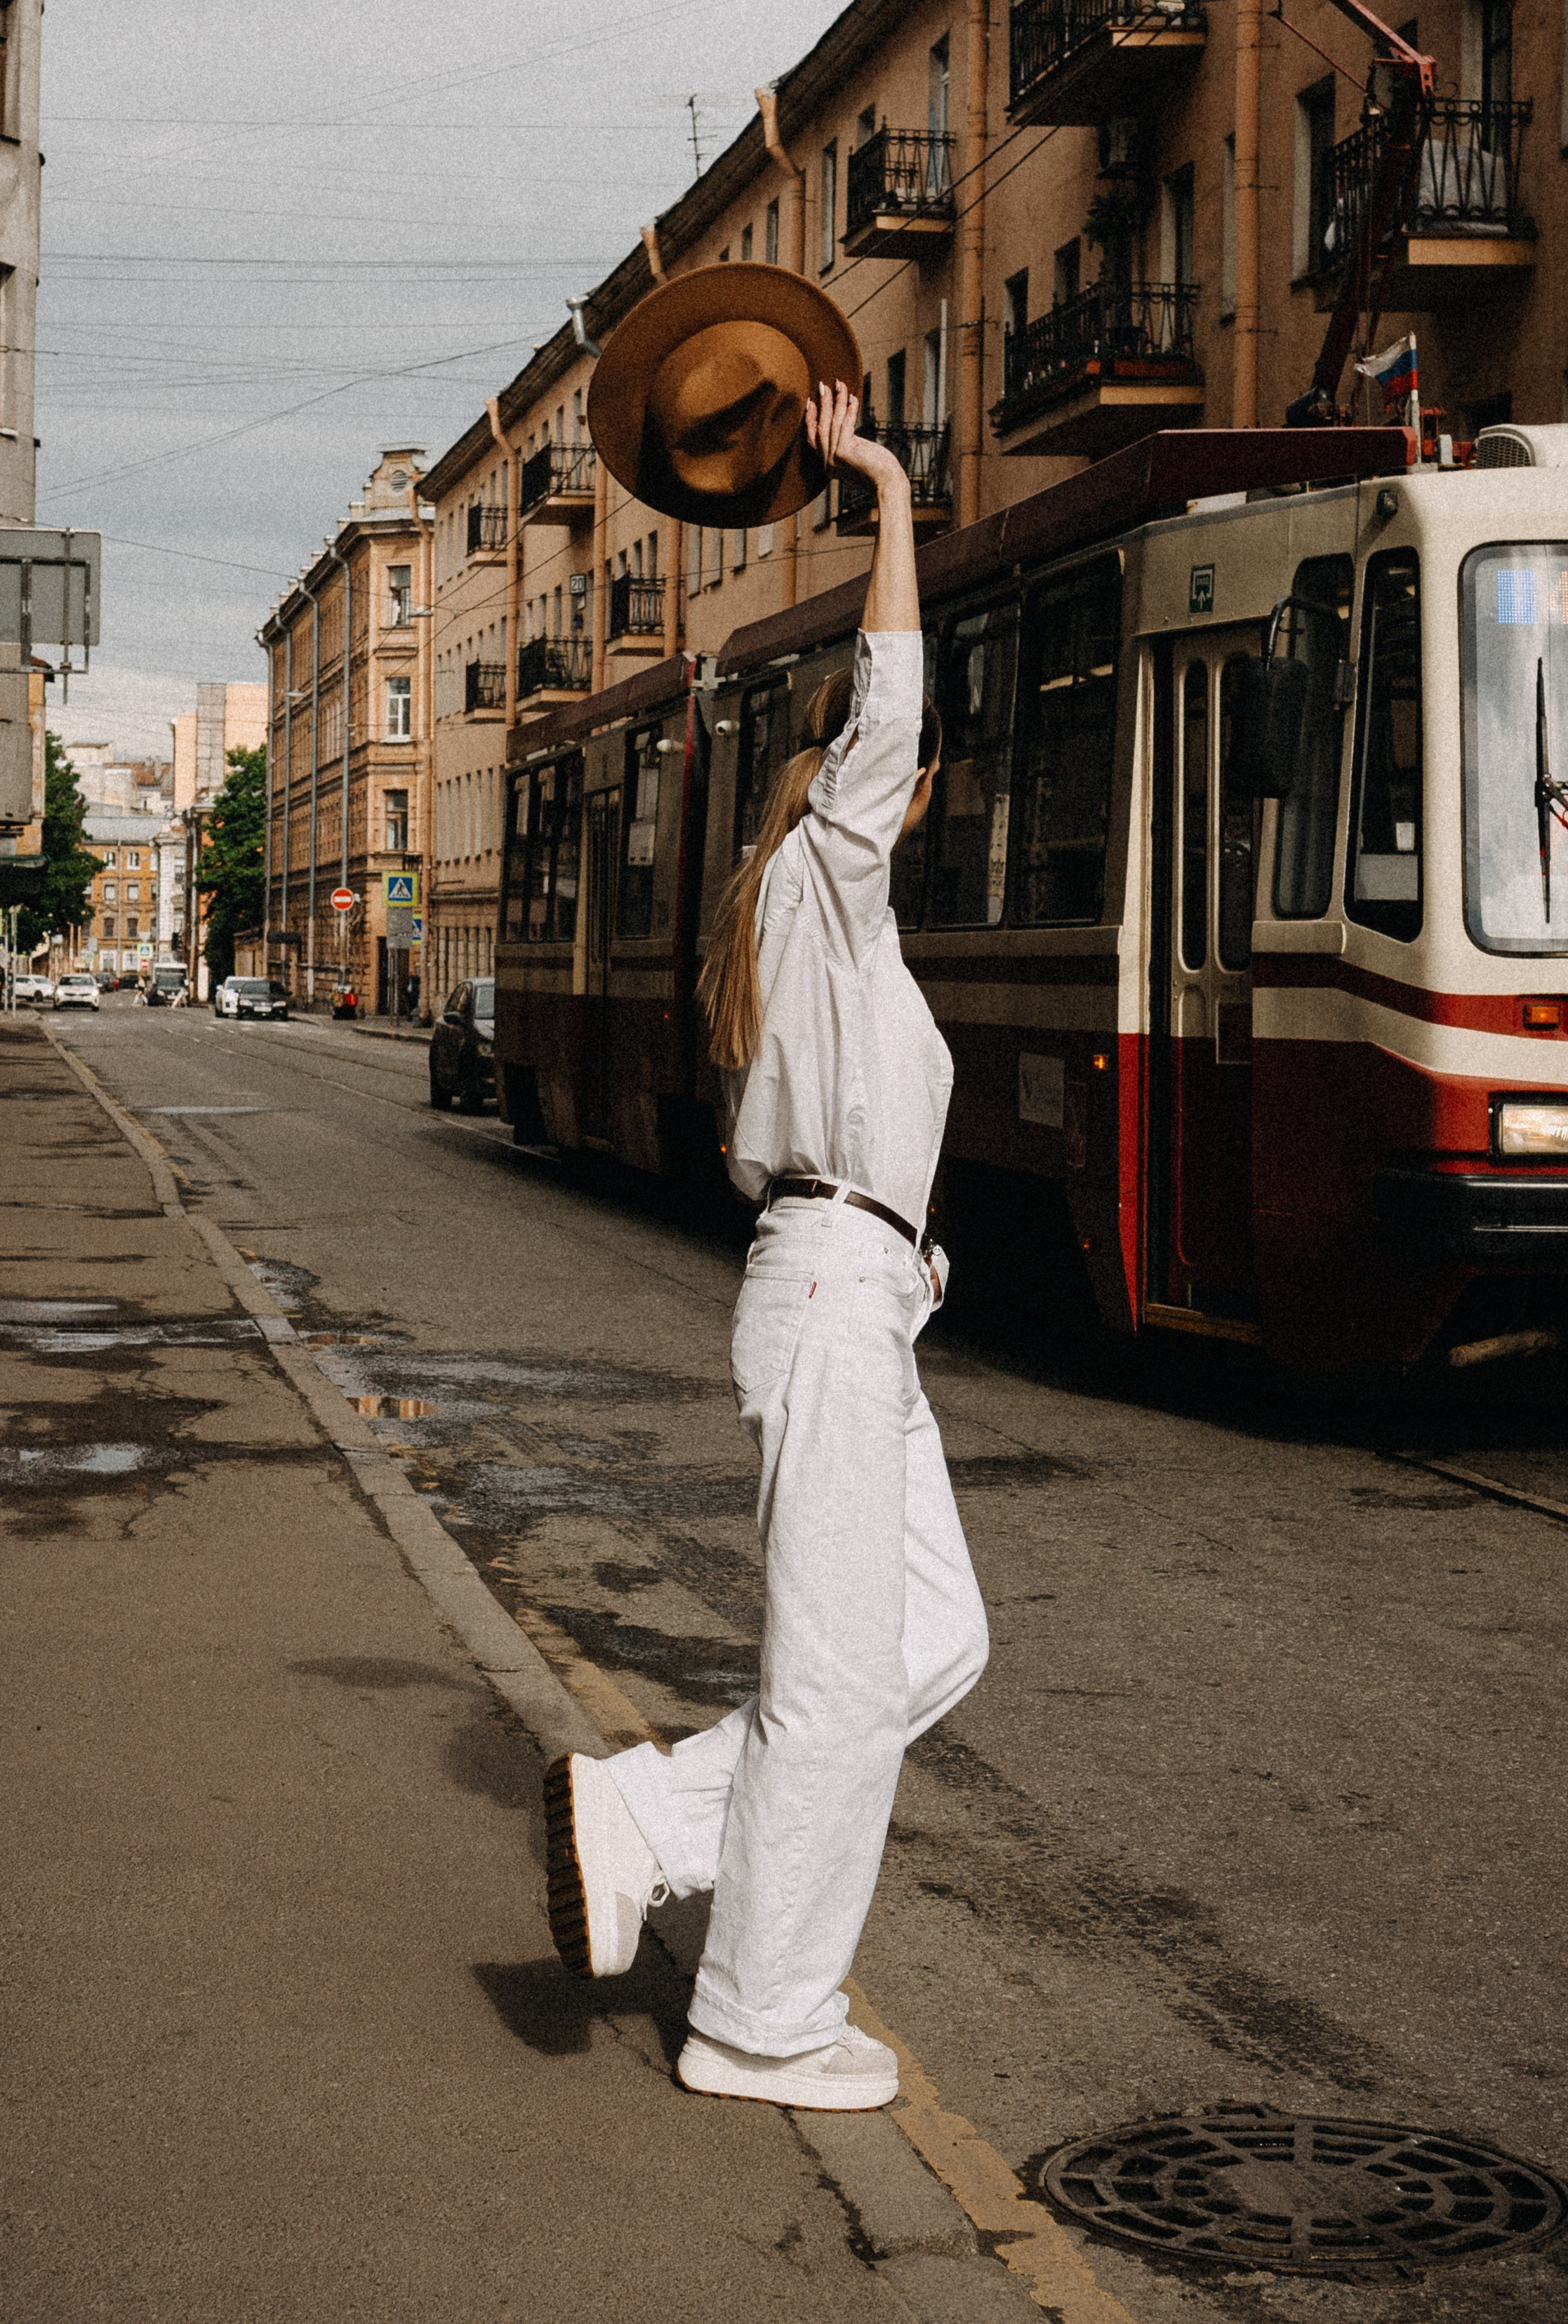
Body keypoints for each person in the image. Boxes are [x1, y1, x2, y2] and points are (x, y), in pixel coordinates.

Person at [543, 381, 986, 2113]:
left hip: (860, 1305)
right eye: (911, 775)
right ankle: (759, 2019)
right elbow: (894, 699)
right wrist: (886, 495)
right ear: (888, 781)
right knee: (830, 1683)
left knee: (929, 1644)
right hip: (829, 1303)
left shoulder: (817, 921)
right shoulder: (823, 870)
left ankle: (652, 1816)